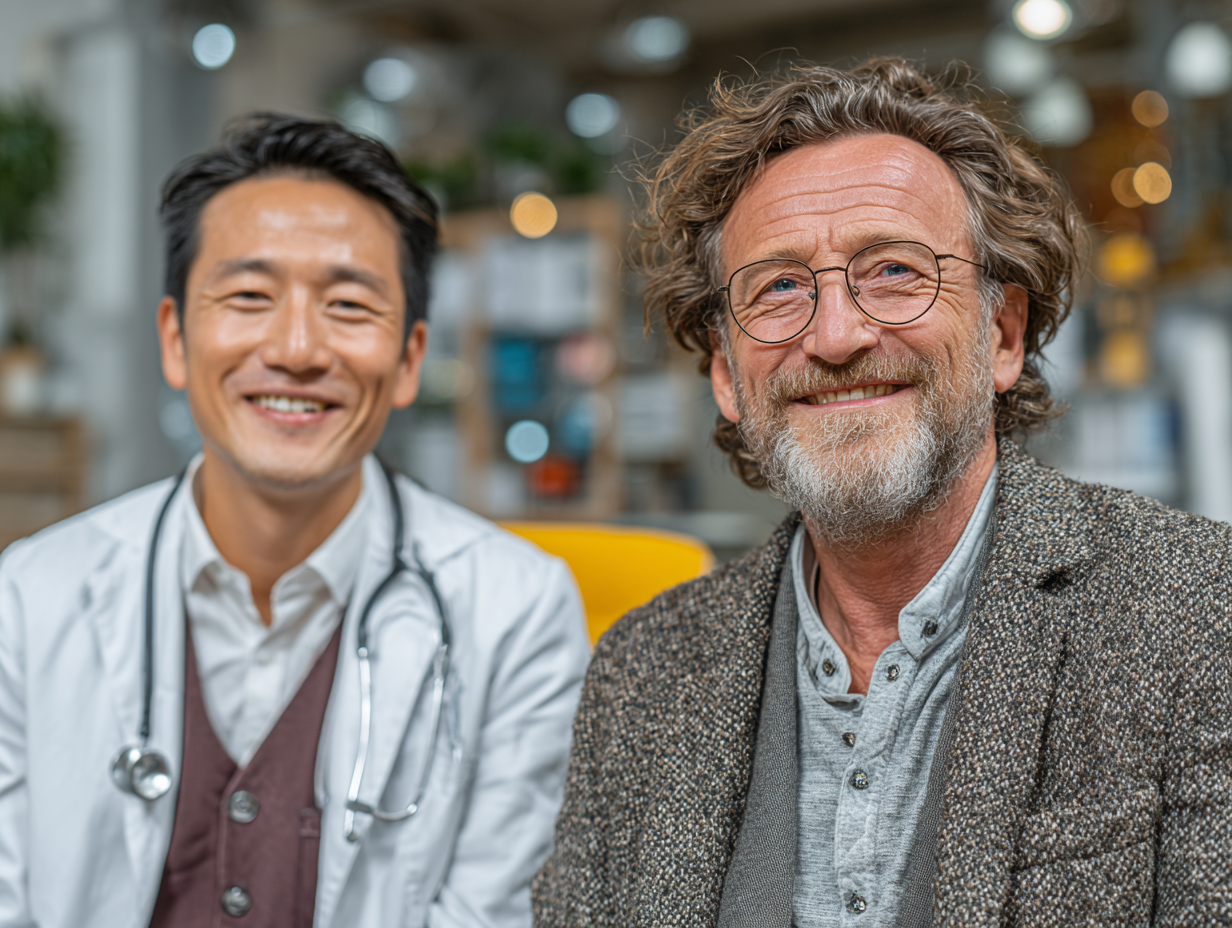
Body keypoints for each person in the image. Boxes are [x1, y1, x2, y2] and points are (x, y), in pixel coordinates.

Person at [534, 60, 1232, 927]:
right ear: (724, 371)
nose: (835, 336)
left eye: (895, 270)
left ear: (1004, 334)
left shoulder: (1202, 612)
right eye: (780, 287)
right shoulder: (641, 673)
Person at [0, 114, 590, 928]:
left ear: (412, 358)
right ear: (175, 339)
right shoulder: (29, 597)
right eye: (248, 296)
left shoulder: (518, 609)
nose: (298, 347)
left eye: (349, 304)